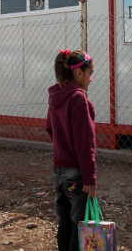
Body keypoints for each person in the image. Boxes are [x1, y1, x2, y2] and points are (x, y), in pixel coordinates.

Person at [46, 49, 96, 251]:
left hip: (59, 172)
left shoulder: (55, 98)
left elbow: (49, 128)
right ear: (78, 73)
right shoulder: (78, 99)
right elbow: (85, 144)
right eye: (90, 73)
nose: (91, 79)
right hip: (77, 175)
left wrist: (63, 147)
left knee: (64, 223)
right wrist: (90, 178)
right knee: (79, 225)